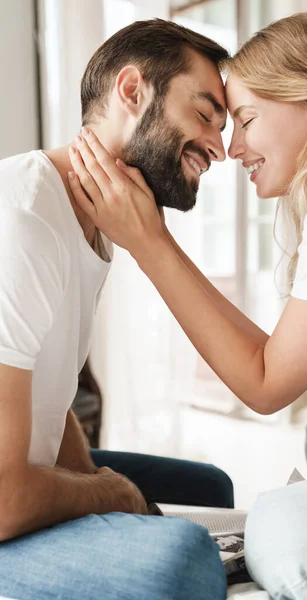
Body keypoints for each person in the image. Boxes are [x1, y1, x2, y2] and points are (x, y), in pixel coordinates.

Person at [70, 11, 307, 600]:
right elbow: (272, 357)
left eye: (245, 120)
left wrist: (150, 241)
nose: (231, 147)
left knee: (277, 522)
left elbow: (267, 384)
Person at [0, 19, 232, 600]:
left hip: (15, 475)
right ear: (132, 91)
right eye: (205, 114)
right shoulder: (24, 219)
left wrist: (96, 482)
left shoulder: (96, 223)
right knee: (181, 559)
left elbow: (49, 402)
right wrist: (112, 495)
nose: (221, 148)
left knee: (211, 489)